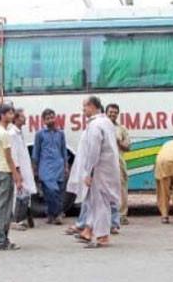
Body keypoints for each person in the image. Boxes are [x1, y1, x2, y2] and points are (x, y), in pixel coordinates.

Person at [67, 96, 120, 248]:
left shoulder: (95, 125)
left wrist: (88, 172)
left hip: (99, 170)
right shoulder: (106, 122)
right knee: (93, 202)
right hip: (107, 168)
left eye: (85, 107)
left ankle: (103, 236)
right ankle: (88, 231)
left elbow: (93, 151)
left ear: (92, 106)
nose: (83, 110)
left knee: (100, 202)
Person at [0, 104, 23, 251]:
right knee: (5, 207)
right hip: (6, 172)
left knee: (2, 205)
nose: (12, 116)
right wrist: (17, 177)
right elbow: (9, 158)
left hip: (0, 171)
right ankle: (0, 239)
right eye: (10, 113)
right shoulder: (4, 134)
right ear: (2, 115)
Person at [32, 108, 68, 225]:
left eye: (52, 117)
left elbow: (64, 150)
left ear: (55, 118)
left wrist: (66, 166)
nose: (50, 120)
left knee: (58, 193)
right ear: (43, 121)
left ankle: (51, 215)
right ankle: (58, 214)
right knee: (51, 191)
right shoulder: (40, 134)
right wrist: (35, 168)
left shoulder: (60, 133)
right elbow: (36, 152)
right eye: (47, 118)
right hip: (45, 167)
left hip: (59, 166)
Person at [9, 108, 37, 230]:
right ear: (15, 119)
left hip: (24, 168)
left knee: (25, 194)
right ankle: (15, 220)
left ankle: (24, 217)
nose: (24, 118)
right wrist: (18, 174)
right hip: (19, 170)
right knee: (17, 194)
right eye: (21, 117)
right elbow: (14, 155)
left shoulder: (19, 132)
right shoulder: (12, 134)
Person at [106, 103, 131, 226]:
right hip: (104, 163)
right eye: (111, 112)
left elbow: (128, 147)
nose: (113, 114)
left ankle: (122, 215)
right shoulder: (101, 126)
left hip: (118, 162)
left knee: (121, 188)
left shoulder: (121, 129)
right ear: (106, 112)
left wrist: (118, 142)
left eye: (115, 112)